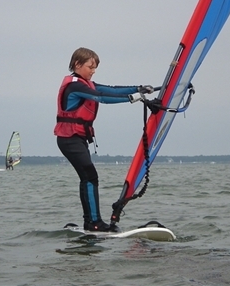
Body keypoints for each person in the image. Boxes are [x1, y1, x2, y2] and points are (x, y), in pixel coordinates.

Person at [54, 47, 158, 232]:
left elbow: (111, 90)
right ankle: (94, 222)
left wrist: (138, 88)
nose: (93, 71)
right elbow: (101, 97)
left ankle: (91, 221)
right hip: (69, 139)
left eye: (95, 67)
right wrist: (132, 97)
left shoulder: (87, 84)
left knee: (88, 177)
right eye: (90, 67)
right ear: (77, 64)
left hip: (78, 139)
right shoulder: (75, 86)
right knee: (89, 176)